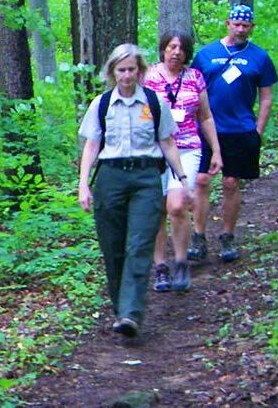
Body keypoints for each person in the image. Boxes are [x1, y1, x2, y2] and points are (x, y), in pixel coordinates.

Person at [78, 43, 189, 338]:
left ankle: (131, 313)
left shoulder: (154, 103)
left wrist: (183, 178)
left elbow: (167, 142)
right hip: (110, 177)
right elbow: (91, 146)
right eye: (121, 70)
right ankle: (121, 310)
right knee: (113, 248)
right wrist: (83, 185)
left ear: (140, 71)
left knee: (139, 245)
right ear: (113, 72)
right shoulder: (100, 105)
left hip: (146, 177)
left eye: (132, 69)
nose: (127, 75)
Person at [189, 4, 278, 263]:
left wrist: (258, 131)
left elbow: (266, 97)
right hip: (207, 129)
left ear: (252, 27)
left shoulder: (259, 57)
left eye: (246, 25)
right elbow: (193, 90)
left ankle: (227, 236)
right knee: (202, 180)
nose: (240, 29)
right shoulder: (206, 54)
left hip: (240, 129)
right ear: (227, 23)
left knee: (231, 183)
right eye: (236, 24)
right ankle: (198, 236)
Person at [142, 31, 222, 293]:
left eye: (181, 48)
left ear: (187, 52)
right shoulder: (149, 77)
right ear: (163, 49)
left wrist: (217, 150)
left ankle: (180, 262)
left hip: (187, 148)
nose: (176, 52)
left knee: (177, 205)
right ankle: (160, 267)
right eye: (171, 47)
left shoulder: (195, 78)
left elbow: (206, 116)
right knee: (156, 210)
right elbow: (140, 115)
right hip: (154, 150)